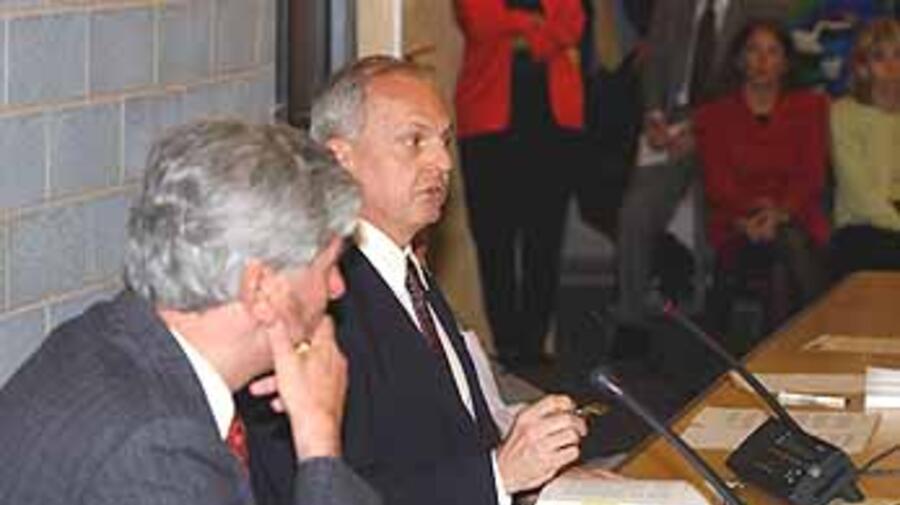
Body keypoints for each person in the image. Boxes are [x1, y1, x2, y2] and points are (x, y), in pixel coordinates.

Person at [244, 56, 588, 505]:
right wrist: (499, 476)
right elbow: (326, 492)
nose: (443, 162)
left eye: (444, 141)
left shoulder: (406, 267)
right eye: (414, 141)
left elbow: (457, 437)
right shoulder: (317, 299)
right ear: (340, 159)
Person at [0, 120, 380, 505]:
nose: (337, 288)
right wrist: (321, 446)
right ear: (261, 288)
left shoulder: (96, 337)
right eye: (328, 266)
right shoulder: (159, 452)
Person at [611, 0, 788, 356]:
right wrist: (654, 115)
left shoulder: (760, 8)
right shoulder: (671, 7)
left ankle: (711, 321)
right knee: (636, 210)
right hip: (672, 127)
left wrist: (702, 128)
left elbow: (760, 74)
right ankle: (630, 320)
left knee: (719, 210)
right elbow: (655, 61)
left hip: (733, 126)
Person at [454, 0, 585, 368]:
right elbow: (480, 23)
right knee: (494, 237)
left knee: (545, 236)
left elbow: (572, 25)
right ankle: (507, 342)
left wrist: (520, 33)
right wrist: (538, 26)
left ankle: (533, 343)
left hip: (553, 124)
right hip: (489, 125)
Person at [695, 19, 829, 334]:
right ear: (739, 59)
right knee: (786, 253)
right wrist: (749, 219)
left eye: (772, 52)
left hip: (795, 216)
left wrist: (779, 214)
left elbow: (811, 176)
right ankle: (810, 339)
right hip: (736, 224)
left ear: (786, 62)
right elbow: (718, 185)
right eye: (753, 51)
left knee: (788, 247)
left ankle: (785, 348)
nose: (762, 61)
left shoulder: (811, 108)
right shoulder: (714, 115)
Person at [830, 18, 900, 278]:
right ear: (862, 67)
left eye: (898, 55)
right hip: (863, 227)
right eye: (879, 57)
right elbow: (861, 196)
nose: (891, 66)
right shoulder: (843, 113)